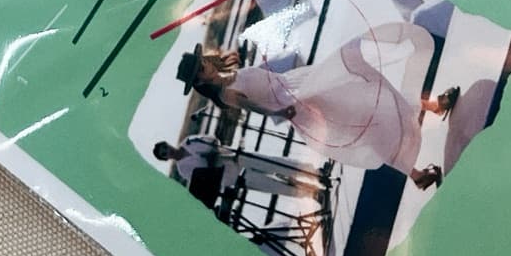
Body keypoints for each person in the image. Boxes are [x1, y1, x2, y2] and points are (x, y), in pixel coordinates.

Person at [179, 23, 463, 188]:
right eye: (201, 71)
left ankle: (431, 107)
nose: (206, 68)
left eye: (203, 63)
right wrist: (283, 111)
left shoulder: (230, 74)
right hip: (300, 102)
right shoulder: (227, 93)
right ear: (200, 82)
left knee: (363, 89)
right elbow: (258, 109)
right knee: (360, 120)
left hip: (298, 82)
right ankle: (416, 173)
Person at [152, 134, 324, 201]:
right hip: (233, 177)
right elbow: (205, 178)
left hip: (236, 157)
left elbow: (213, 140)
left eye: (165, 148)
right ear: (165, 159)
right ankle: (312, 194)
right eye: (164, 154)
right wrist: (209, 162)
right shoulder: (183, 170)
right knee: (274, 186)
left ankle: (314, 173)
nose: (168, 151)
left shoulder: (190, 141)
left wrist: (213, 150)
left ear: (168, 143)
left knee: (276, 163)